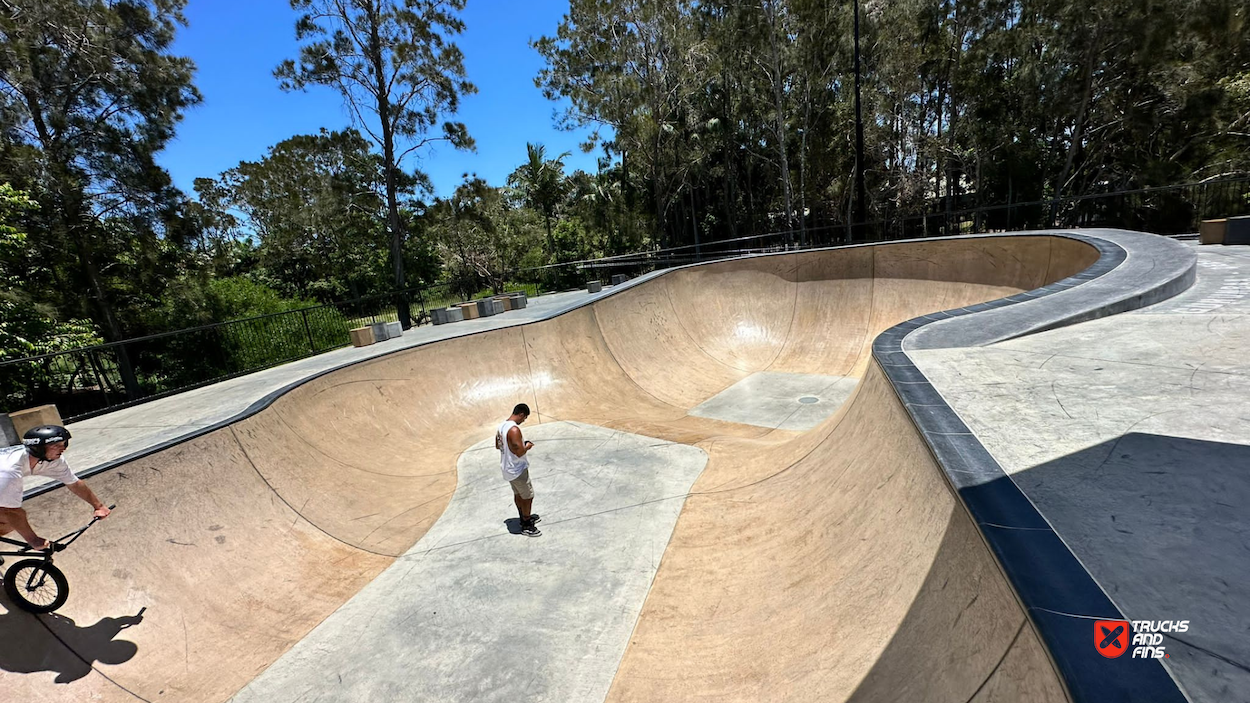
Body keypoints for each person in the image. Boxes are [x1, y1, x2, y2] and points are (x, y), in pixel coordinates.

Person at [0, 425, 110, 558]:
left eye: (64, 444)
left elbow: (74, 483)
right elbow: (11, 511)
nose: (63, 448)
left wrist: (98, 506)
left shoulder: (53, 461)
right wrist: (33, 540)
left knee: (8, 523)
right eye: (56, 445)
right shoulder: (9, 469)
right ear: (39, 448)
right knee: (9, 517)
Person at [496, 403, 541, 537]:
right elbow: (520, 452)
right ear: (521, 414)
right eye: (524, 418)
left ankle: (523, 517)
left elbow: (498, 446)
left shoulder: (501, 427)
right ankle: (527, 525)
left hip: (507, 468)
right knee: (528, 496)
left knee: (518, 494)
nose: (523, 421)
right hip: (517, 469)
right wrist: (527, 445)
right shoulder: (514, 430)